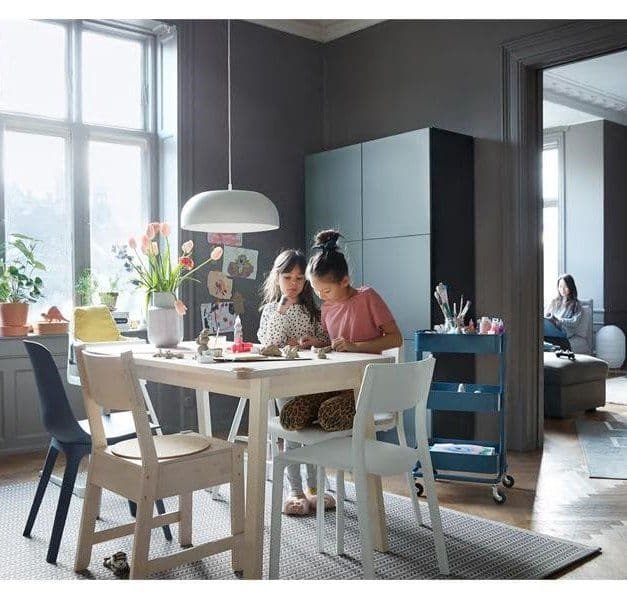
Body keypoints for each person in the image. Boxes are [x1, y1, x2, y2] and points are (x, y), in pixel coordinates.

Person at [278, 229, 403, 435]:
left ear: (344, 281)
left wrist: (356, 347)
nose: (321, 296)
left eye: (326, 291)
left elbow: (395, 338)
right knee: (291, 415)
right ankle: (323, 450)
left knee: (329, 415)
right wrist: (317, 343)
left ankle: (342, 446)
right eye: (317, 291)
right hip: (336, 381)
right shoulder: (327, 308)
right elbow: (336, 345)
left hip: (365, 385)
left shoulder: (367, 298)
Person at [257, 249, 330, 516]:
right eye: (287, 277)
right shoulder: (270, 310)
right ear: (277, 278)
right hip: (284, 381)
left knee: (312, 433)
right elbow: (268, 343)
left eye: (299, 278)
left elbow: (326, 339)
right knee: (292, 432)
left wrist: (314, 342)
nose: (293, 283)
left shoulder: (313, 310)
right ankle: (295, 489)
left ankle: (315, 487)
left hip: (311, 381)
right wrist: (280, 311)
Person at [544, 274, 582, 351]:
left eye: (565, 286)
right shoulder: (554, 301)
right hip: (552, 328)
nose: (562, 289)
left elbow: (575, 322)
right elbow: (545, 315)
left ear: (571, 287)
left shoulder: (576, 304)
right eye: (560, 287)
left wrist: (559, 320)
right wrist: (550, 317)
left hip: (563, 330)